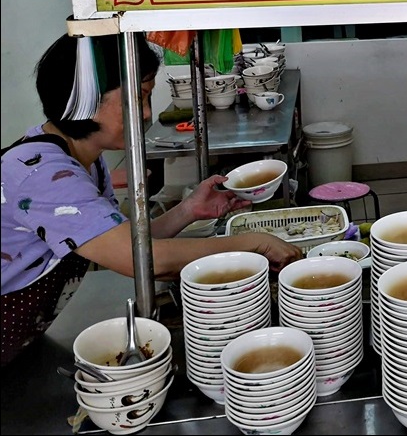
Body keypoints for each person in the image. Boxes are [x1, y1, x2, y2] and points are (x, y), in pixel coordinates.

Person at [0, 32, 303, 367]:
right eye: (138, 97)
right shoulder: (42, 173)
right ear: (84, 97)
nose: (145, 114)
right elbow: (140, 261)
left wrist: (188, 211)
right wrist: (251, 245)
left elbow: (130, 243)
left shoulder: (81, 158)